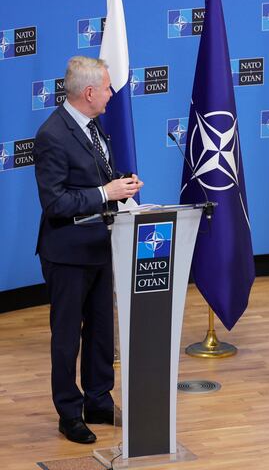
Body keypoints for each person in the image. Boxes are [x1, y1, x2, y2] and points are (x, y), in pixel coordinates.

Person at [34, 56, 143, 443]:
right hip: (66, 254)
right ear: (90, 92)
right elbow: (55, 204)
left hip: (100, 245)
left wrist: (120, 185)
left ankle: (98, 399)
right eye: (109, 88)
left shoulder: (94, 127)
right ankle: (69, 411)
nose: (113, 94)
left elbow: (98, 178)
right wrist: (104, 193)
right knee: (67, 337)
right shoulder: (52, 135)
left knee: (100, 331)